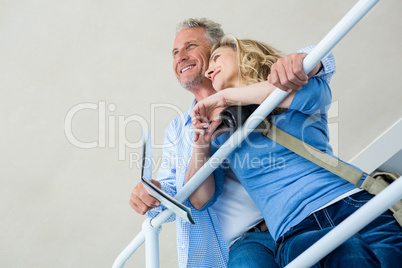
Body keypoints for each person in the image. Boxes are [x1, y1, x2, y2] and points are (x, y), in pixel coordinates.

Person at [129, 18, 336, 268]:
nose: (180, 57)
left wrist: (307, 58)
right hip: (243, 244)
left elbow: (316, 70)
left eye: (190, 46)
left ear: (217, 51)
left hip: (302, 217)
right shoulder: (179, 130)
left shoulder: (262, 88)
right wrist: (152, 192)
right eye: (174, 53)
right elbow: (179, 193)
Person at [189, 34, 402, 267]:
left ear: (245, 54)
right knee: (340, 246)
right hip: (295, 231)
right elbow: (199, 199)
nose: (209, 73)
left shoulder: (305, 90)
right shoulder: (223, 138)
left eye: (216, 59)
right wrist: (200, 141)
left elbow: (312, 70)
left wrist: (224, 96)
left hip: (354, 206)